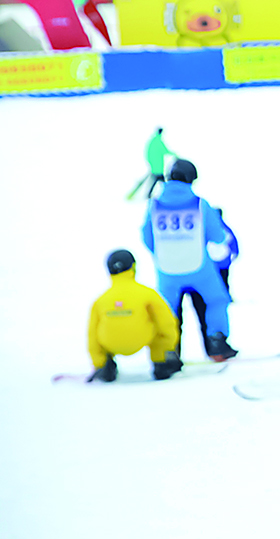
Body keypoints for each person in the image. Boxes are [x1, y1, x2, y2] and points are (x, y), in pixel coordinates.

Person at [141, 160, 237, 361]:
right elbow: (217, 236)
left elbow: (147, 237)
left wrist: (165, 252)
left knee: (168, 310)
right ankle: (217, 342)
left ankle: (169, 350)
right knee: (216, 300)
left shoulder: (154, 205)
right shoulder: (200, 204)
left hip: (167, 269)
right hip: (199, 267)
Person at [86, 249, 183, 383]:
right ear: (133, 267)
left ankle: (105, 367)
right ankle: (162, 362)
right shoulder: (148, 294)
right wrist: (169, 347)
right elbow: (167, 323)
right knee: (158, 327)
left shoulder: (101, 300)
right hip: (141, 337)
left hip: (109, 341)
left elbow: (92, 334)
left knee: (100, 333)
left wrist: (97, 361)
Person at [185, 206, 238, 342]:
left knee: (223, 283)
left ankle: (217, 339)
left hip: (220, 263)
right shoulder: (211, 227)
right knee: (217, 289)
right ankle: (217, 340)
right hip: (212, 264)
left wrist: (233, 254)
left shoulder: (218, 227)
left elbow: (231, 242)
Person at [141, 127, 176, 198]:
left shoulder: (153, 141)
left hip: (155, 165)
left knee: (157, 180)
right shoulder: (158, 141)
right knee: (161, 180)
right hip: (158, 166)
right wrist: (174, 154)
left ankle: (151, 194)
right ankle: (167, 193)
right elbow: (165, 150)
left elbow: (148, 152)